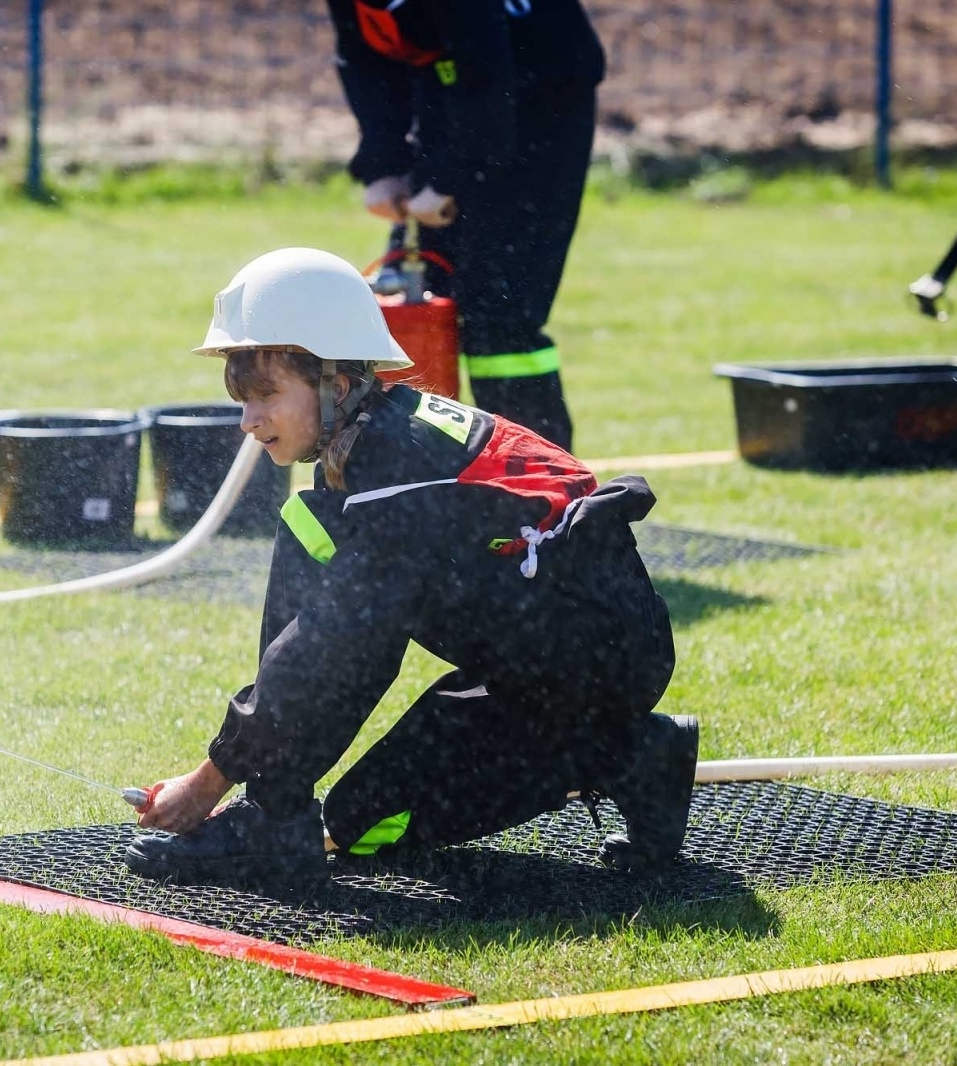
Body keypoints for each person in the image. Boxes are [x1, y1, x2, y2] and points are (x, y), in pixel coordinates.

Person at [124, 248, 696, 884]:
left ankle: (633, 754)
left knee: (363, 826)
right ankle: (275, 812)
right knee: (311, 526)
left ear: (334, 385)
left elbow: (336, 644)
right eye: (241, 397)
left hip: (591, 673)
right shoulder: (373, 443)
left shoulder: (395, 471)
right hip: (541, 657)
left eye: (264, 395)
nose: (248, 420)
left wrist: (212, 777)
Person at [324, 0, 606, 453]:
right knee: (422, 302)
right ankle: (426, 476)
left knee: (500, 313)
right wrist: (384, 164)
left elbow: (486, 66)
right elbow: (362, 60)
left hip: (540, 97)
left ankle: (538, 484)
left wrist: (449, 178)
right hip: (453, 86)